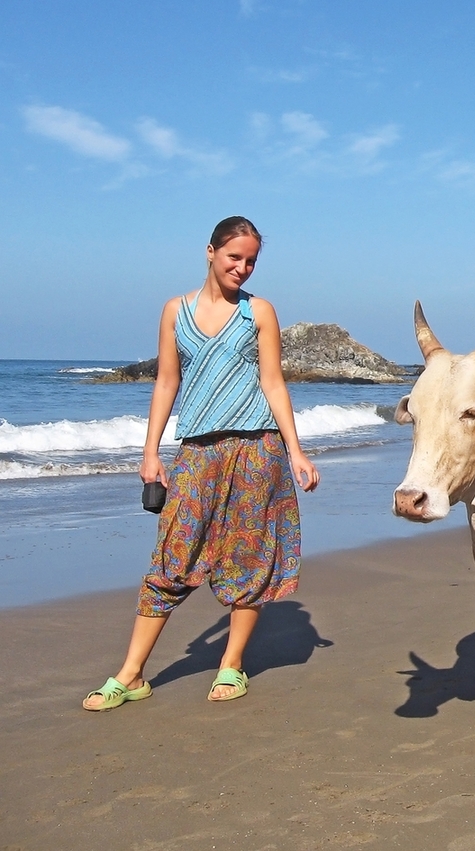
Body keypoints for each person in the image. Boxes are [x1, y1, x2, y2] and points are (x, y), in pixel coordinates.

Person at [83, 216, 319, 710]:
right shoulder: (176, 310)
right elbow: (166, 381)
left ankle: (231, 665)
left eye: (252, 260)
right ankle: (131, 674)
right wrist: (150, 452)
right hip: (197, 452)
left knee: (250, 558)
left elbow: (274, 383)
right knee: (171, 558)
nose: (243, 268)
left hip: (258, 450)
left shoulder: (260, 312)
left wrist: (296, 451)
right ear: (210, 252)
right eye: (235, 257)